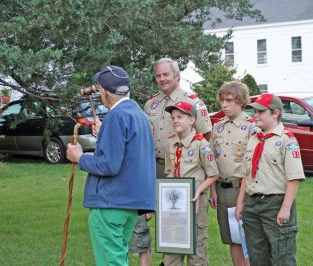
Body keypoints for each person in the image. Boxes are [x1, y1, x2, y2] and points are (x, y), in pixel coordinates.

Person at [66, 65, 156, 266]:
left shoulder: (116, 116)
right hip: (130, 203)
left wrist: (79, 157)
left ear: (104, 92)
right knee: (118, 259)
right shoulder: (138, 114)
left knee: (111, 262)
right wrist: (104, 135)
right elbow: (129, 157)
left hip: (111, 202)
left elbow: (109, 165)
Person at [132, 57, 213, 265]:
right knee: (167, 225)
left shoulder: (192, 102)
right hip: (156, 170)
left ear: (177, 76)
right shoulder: (151, 103)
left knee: (191, 229)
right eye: (158, 75)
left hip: (187, 173)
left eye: (166, 74)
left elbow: (206, 138)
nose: (162, 79)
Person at [236, 94, 305, 266]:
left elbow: (294, 177)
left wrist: (285, 208)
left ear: (275, 114)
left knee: (283, 255)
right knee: (257, 255)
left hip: (275, 203)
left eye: (260, 111)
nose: (255, 115)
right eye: (254, 111)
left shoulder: (286, 139)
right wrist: (240, 202)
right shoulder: (254, 138)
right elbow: (247, 172)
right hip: (252, 204)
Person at [164, 101, 218, 266]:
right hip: (174, 203)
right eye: (173, 117)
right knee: (172, 249)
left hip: (195, 202)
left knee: (196, 248)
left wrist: (198, 191)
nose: (175, 120)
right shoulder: (170, 143)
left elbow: (213, 174)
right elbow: (168, 172)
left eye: (180, 117)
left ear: (192, 120)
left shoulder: (201, 144)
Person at [210, 81, 254, 266]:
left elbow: (251, 165)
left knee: (247, 238)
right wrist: (212, 190)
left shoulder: (251, 127)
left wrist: (241, 199)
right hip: (222, 189)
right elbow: (211, 161)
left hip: (242, 189)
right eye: (222, 100)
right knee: (231, 237)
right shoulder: (218, 126)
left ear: (241, 101)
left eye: (229, 101)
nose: (224, 105)